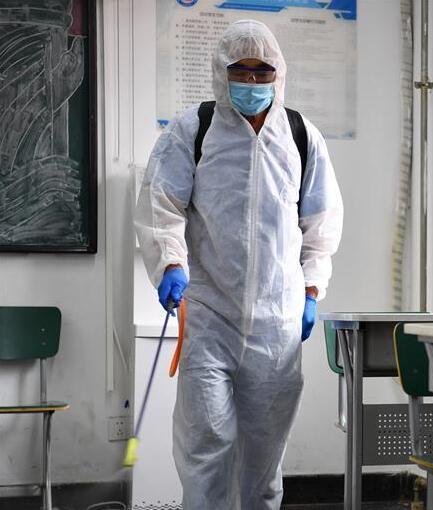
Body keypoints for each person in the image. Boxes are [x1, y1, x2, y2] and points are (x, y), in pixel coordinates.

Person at [134, 19, 343, 510]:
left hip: (277, 322)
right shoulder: (193, 129)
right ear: (220, 71)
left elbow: (321, 222)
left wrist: (312, 290)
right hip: (210, 314)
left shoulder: (300, 136)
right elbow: (161, 204)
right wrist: (170, 264)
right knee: (207, 445)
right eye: (240, 71)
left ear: (278, 73)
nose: (251, 81)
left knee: (264, 457)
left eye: (261, 71)